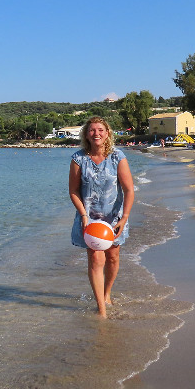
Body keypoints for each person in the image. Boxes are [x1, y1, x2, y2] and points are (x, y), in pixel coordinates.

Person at [69, 116, 135, 318]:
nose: (96, 133)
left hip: (114, 217)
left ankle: (107, 294)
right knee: (96, 259)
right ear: (86, 134)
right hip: (89, 219)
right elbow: (73, 191)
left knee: (113, 258)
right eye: (91, 130)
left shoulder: (117, 157)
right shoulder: (78, 159)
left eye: (100, 130)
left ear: (107, 133)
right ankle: (101, 308)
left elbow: (129, 190)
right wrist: (83, 214)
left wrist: (124, 217)